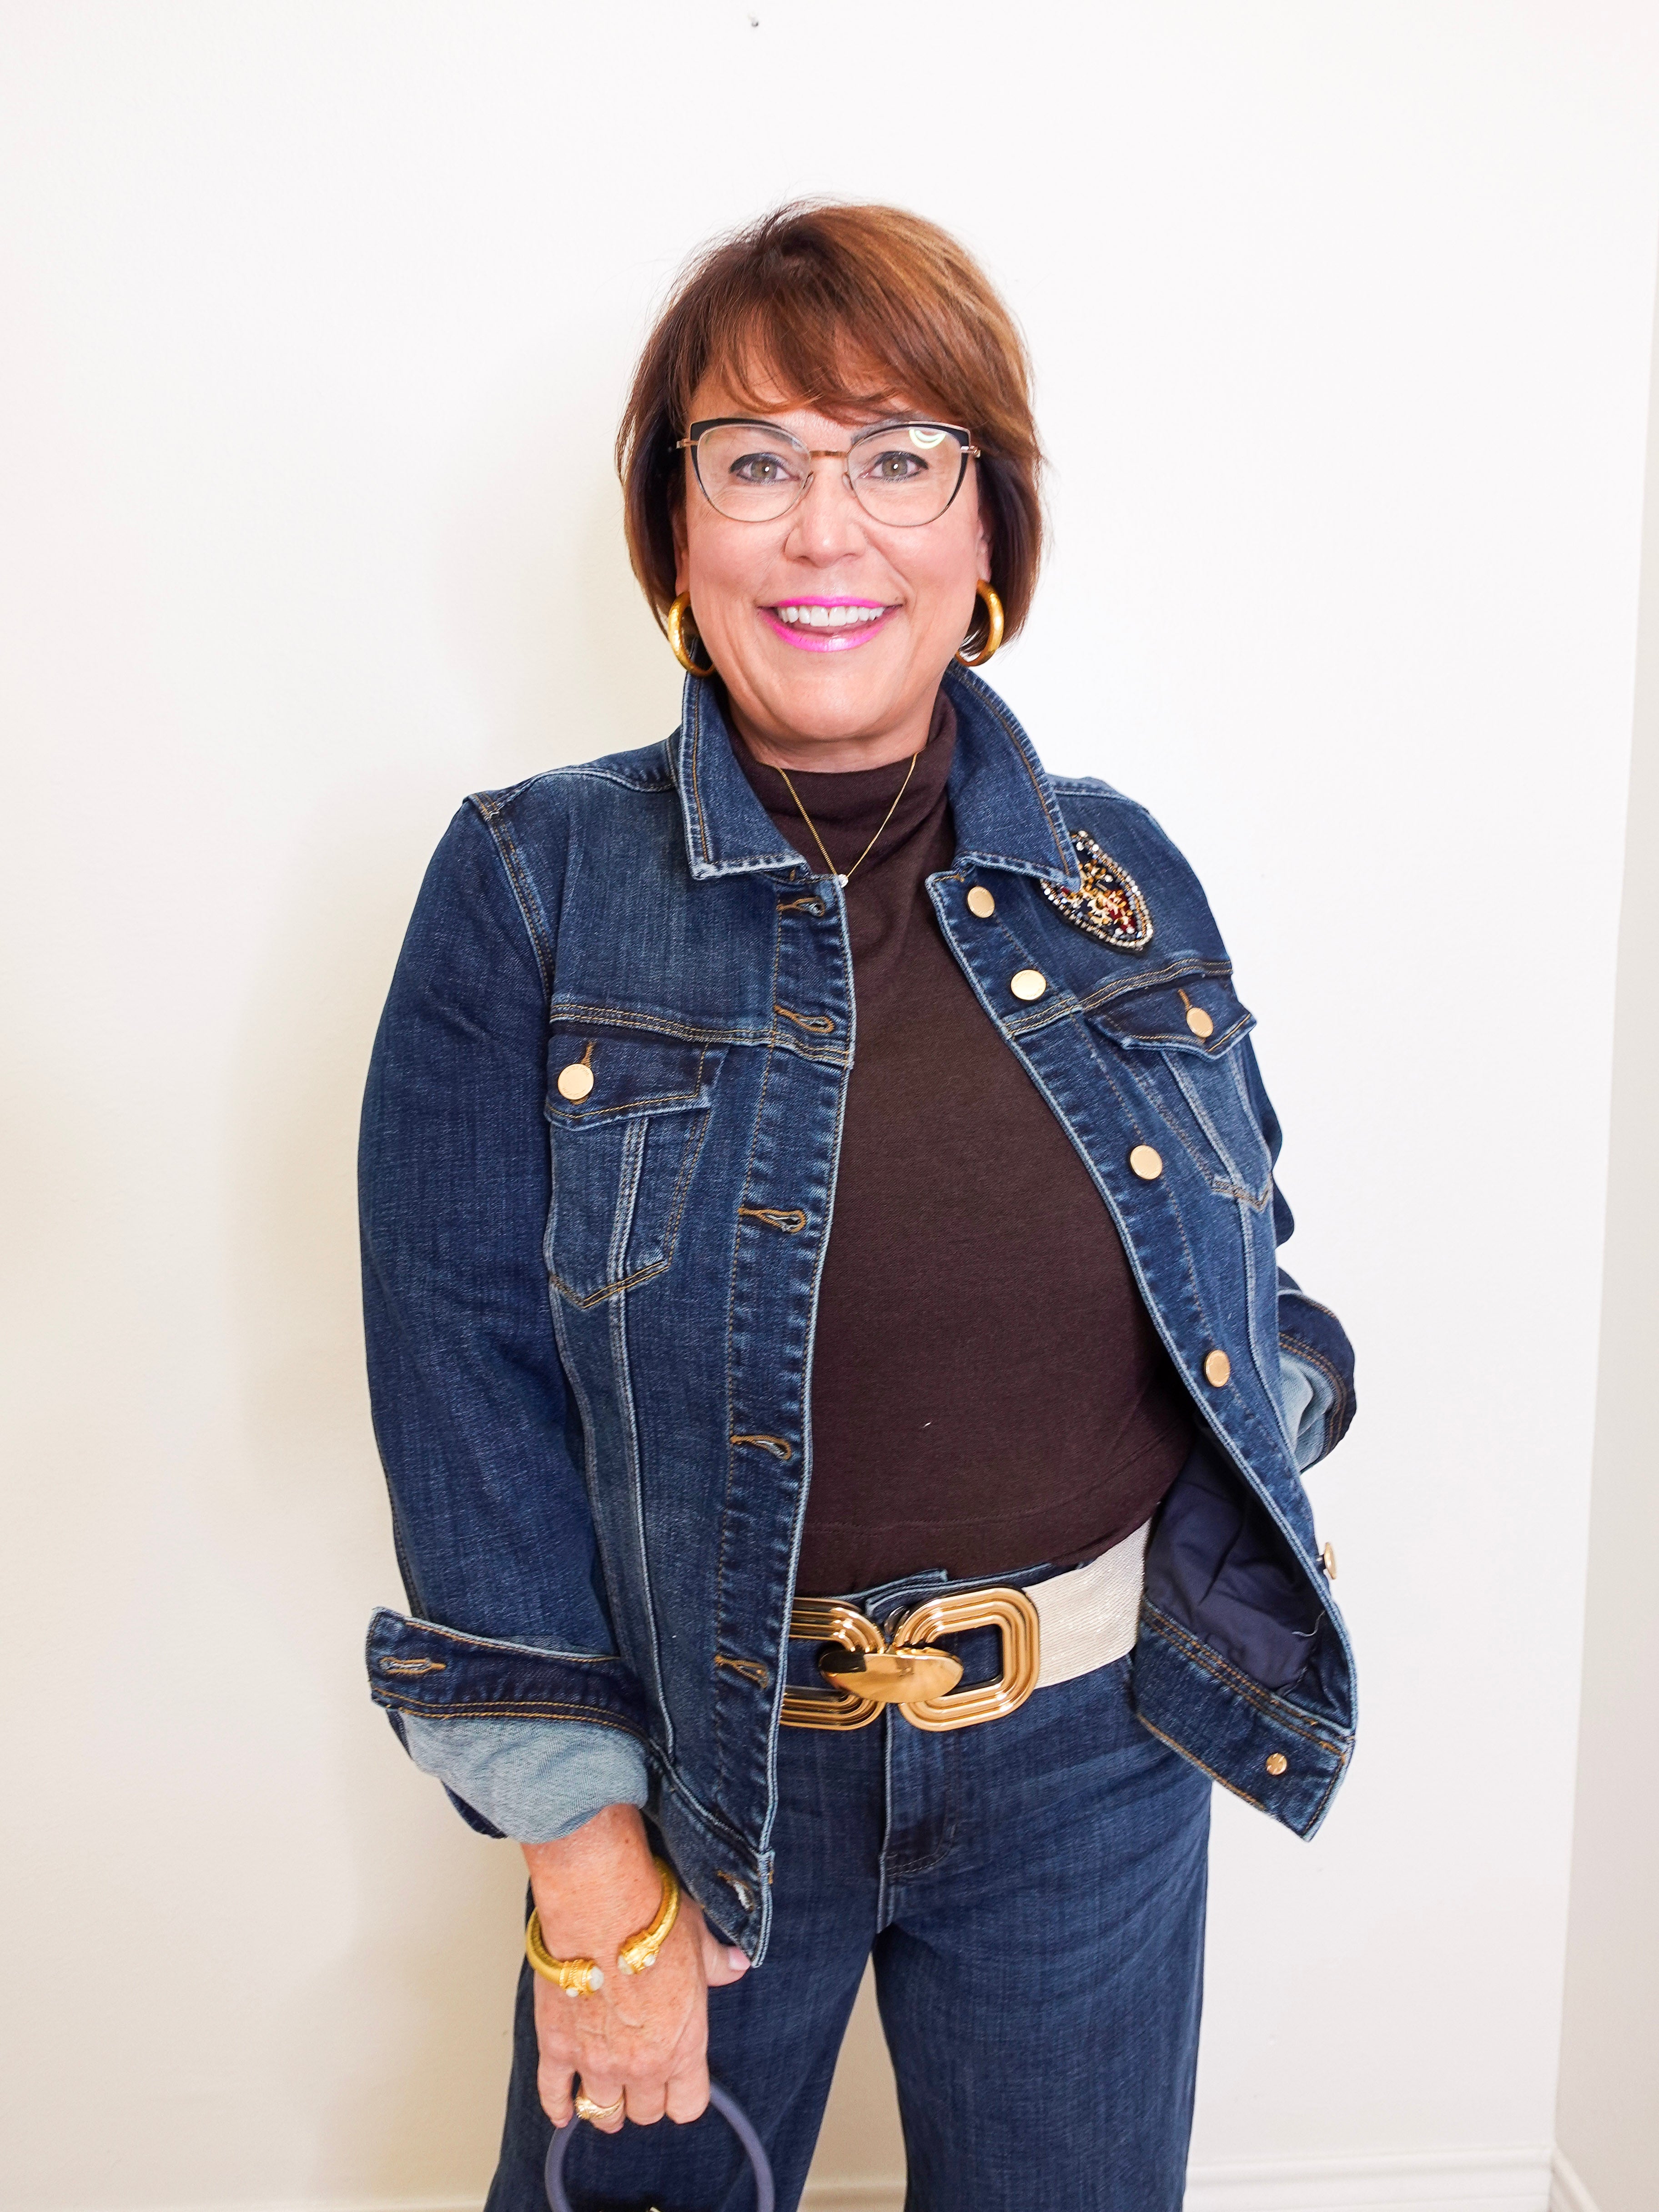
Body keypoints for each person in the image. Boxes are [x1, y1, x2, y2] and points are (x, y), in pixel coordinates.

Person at [359, 201, 1357, 2212]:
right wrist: (591, 1868)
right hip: (704, 1797)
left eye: (901, 458)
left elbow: (1252, 1274)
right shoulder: (528, 888)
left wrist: (1253, 1475)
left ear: (985, 532)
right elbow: (465, 1402)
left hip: (1097, 1764)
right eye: (759, 465)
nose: (831, 534)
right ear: (676, 538)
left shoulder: (1122, 876)